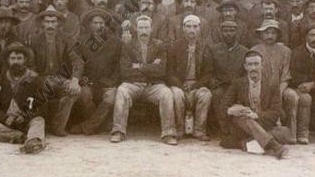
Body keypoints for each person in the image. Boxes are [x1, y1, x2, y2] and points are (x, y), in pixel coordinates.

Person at [111, 15, 178, 145]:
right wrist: (151, 66)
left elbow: (161, 70)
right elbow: (125, 71)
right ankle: (118, 131)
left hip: (153, 86)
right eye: (141, 28)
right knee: (121, 91)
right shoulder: (128, 45)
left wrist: (139, 66)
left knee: (166, 93)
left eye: (146, 27)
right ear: (136, 29)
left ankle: (169, 133)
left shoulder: (159, 45)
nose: (143, 31)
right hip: (133, 84)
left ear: (151, 29)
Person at [218, 50, 290, 159]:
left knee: (285, 132)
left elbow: (276, 111)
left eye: (256, 64)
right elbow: (222, 107)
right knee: (244, 117)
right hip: (243, 127)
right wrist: (231, 110)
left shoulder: (272, 85)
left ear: (262, 65)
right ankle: (274, 146)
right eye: (250, 64)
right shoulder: (237, 83)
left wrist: (257, 115)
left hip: (263, 125)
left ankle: (245, 144)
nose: (253, 68)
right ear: (245, 66)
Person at [0, 43, 47, 154]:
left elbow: (43, 106)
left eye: (19, 58)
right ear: (8, 60)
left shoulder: (35, 80)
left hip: (27, 121)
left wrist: (25, 116)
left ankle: (33, 141)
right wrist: (5, 118)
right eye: (12, 58)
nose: (16, 61)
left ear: (25, 60)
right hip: (7, 123)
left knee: (39, 121)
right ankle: (19, 137)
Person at [29, 6, 84, 136]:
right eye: (47, 22)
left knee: (75, 91)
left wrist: (75, 80)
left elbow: (78, 61)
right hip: (41, 78)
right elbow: (30, 63)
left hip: (61, 78)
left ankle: (58, 125)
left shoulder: (67, 39)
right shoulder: (35, 40)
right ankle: (40, 124)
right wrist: (34, 75)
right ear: (42, 23)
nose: (50, 25)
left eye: (53, 22)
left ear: (58, 23)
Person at [70, 8, 122, 135]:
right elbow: (77, 63)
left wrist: (112, 81)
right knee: (84, 95)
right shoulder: (82, 41)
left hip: (108, 82)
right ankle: (98, 125)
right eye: (95, 23)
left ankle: (88, 127)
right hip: (89, 82)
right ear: (89, 25)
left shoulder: (115, 42)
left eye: (101, 23)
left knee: (110, 97)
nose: (99, 26)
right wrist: (81, 80)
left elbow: (119, 66)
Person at [168, 15, 212, 141]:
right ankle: (179, 129)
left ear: (199, 29)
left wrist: (195, 86)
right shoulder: (174, 46)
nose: (191, 29)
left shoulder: (205, 47)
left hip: (197, 84)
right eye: (188, 26)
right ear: (183, 28)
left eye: (195, 26)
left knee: (205, 94)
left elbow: (208, 72)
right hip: (179, 83)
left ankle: (199, 130)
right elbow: (169, 72)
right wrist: (181, 87)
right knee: (176, 95)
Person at [251, 20, 294, 143]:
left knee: (292, 96)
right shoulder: (255, 50)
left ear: (277, 35)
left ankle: (292, 133)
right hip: (261, 86)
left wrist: (278, 92)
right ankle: (263, 131)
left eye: (273, 33)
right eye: (266, 33)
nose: (270, 36)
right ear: (261, 35)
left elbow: (286, 75)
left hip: (281, 87)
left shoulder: (286, 51)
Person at [202, 19, 247, 135]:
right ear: (221, 33)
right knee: (217, 95)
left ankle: (238, 129)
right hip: (221, 86)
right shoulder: (214, 49)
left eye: (232, 30)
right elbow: (209, 71)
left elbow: (245, 73)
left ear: (237, 32)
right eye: (225, 31)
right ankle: (224, 130)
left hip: (238, 87)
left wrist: (240, 85)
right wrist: (213, 81)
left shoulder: (244, 51)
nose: (228, 33)